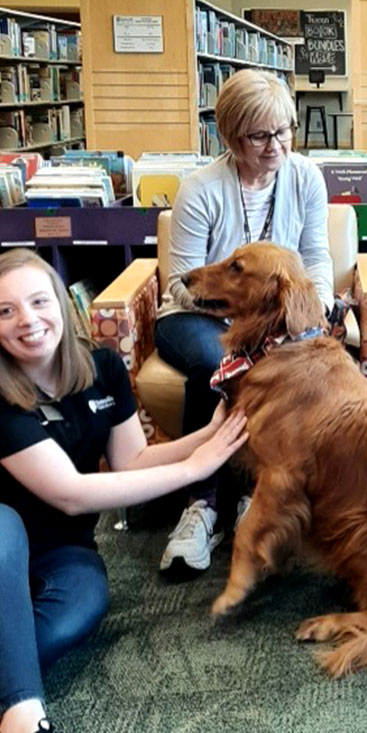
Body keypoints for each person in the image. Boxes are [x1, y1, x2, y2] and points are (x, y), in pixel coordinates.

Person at [0, 249, 248, 733]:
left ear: (61, 302)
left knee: (84, 604)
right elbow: (70, 493)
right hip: (5, 536)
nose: (27, 320)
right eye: (5, 311)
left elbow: (132, 461)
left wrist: (209, 435)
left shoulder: (102, 367)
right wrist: (196, 467)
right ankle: (24, 714)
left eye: (38, 301)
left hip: (62, 549)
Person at [154, 68, 334, 573]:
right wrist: (239, 315)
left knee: (290, 365)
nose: (276, 145)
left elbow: (316, 256)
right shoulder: (200, 189)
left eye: (284, 130)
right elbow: (181, 283)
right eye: (259, 136)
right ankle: (203, 505)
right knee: (219, 363)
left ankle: (258, 495)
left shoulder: (306, 177)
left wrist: (314, 308)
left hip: (271, 321)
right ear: (232, 136)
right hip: (196, 317)